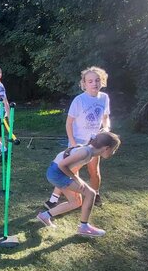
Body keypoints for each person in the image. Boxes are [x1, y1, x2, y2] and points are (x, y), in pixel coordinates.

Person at [45, 66, 111, 209]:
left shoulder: (104, 98)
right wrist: (73, 143)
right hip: (77, 142)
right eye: (90, 81)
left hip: (95, 143)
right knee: (71, 171)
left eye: (97, 80)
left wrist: (106, 128)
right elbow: (69, 123)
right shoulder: (79, 100)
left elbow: (106, 118)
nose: (94, 83)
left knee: (94, 171)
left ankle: (96, 194)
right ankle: (53, 200)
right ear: (84, 84)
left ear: (102, 81)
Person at [37, 132, 121, 237]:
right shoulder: (85, 152)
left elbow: (71, 165)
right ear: (106, 148)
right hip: (57, 173)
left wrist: (76, 179)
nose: (113, 152)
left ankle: (45, 216)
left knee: (76, 202)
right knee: (91, 193)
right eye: (114, 150)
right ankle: (84, 227)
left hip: (56, 173)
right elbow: (62, 165)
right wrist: (76, 179)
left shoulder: (89, 152)